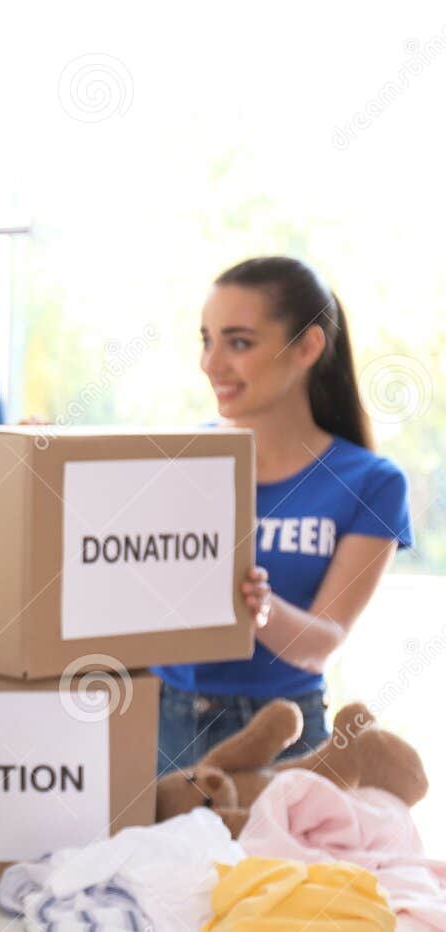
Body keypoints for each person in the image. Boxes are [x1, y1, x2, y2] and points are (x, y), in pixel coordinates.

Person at [153, 256, 412, 773]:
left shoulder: (371, 482)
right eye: (207, 340)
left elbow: (324, 641)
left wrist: (259, 607)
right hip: (161, 723)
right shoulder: (177, 459)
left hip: (283, 736)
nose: (211, 363)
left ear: (308, 347)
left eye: (239, 343)